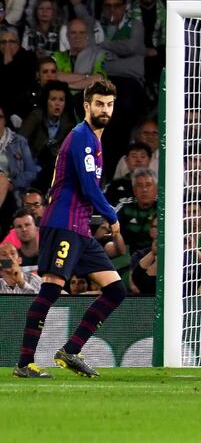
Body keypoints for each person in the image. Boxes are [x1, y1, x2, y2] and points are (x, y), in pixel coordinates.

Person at [12, 79, 127, 379]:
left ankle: (71, 350)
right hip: (63, 224)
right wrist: (111, 218)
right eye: (99, 103)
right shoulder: (81, 138)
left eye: (109, 104)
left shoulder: (94, 140)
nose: (105, 109)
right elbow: (89, 188)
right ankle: (25, 363)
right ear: (87, 106)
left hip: (80, 228)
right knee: (51, 289)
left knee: (115, 290)